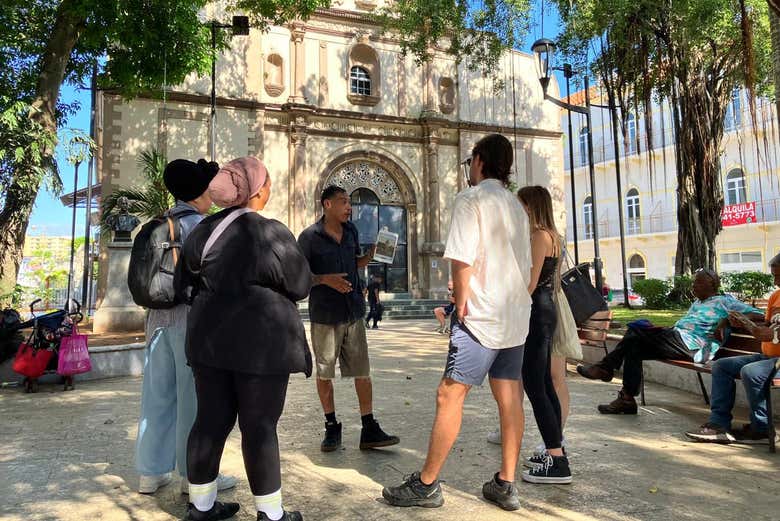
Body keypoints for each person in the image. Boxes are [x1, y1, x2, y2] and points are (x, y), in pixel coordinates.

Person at [382, 133, 532, 511]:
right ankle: (506, 483)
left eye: (470, 162)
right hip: (514, 316)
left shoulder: (471, 199)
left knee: (449, 394)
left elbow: (461, 259)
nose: (470, 169)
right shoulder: (517, 206)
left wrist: (460, 304)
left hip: (480, 317)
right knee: (510, 396)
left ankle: (427, 484)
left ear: (479, 161)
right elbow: (527, 266)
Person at [177, 157, 312, 521]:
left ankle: (201, 506)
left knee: (209, 421)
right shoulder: (271, 232)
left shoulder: (203, 231)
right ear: (256, 190)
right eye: (266, 182)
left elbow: (182, 283)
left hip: (208, 343)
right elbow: (300, 285)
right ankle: (270, 514)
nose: (269, 188)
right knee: (259, 426)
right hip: (262, 346)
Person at [135, 159, 237, 496]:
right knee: (193, 400)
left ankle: (150, 474)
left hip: (156, 321)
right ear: (198, 192)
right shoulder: (200, 227)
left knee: (157, 395)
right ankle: (193, 476)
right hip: (190, 322)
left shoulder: (158, 223)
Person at [298, 186, 399, 452]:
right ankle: (331, 426)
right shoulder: (309, 238)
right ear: (327, 204)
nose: (348, 207)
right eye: (343, 202)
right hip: (325, 316)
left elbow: (356, 264)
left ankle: (369, 428)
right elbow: (297, 276)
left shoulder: (352, 231)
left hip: (353, 312)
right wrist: (325, 280)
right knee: (324, 373)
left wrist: (371, 255)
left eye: (349, 203)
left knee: (362, 373)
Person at [578, 269, 764, 414]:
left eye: (698, 283)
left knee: (636, 329)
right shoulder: (697, 302)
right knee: (634, 347)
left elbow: (759, 314)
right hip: (678, 339)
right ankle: (626, 399)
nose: (694, 287)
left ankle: (606, 367)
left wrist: (725, 320)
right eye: (693, 283)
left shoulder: (725, 302)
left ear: (712, 284)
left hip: (693, 346)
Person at [685, 254, 780, 445]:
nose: (775, 281)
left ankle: (761, 429)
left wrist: (756, 328)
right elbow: (768, 323)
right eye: (774, 276)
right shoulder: (775, 296)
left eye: (779, 276)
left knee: (751, 372)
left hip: (776, 361)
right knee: (721, 366)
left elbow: (770, 334)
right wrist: (735, 320)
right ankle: (718, 425)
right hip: (767, 356)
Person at [515, 185, 571, 484]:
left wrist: (511, 309)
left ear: (531, 206)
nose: (518, 210)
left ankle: (557, 460)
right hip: (546, 309)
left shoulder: (538, 235)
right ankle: (556, 448)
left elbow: (531, 282)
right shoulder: (553, 236)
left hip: (536, 311)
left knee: (536, 386)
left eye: (521, 204)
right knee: (544, 385)